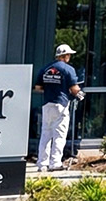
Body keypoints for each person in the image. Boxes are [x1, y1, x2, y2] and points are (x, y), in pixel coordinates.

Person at [34, 44, 82, 172]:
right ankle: (55, 163)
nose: (69, 57)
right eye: (69, 55)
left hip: (47, 104)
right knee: (59, 135)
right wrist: (80, 94)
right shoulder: (68, 69)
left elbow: (38, 88)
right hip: (61, 104)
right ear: (65, 56)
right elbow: (74, 89)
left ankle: (42, 163)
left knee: (45, 134)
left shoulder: (45, 68)